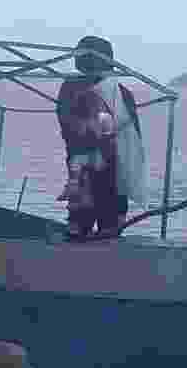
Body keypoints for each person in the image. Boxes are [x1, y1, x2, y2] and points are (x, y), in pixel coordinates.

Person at [55, 35, 147, 240]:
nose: (78, 60)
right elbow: (71, 126)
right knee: (79, 227)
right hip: (84, 176)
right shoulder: (73, 87)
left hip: (112, 177)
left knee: (108, 230)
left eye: (83, 55)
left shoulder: (121, 94)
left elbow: (132, 141)